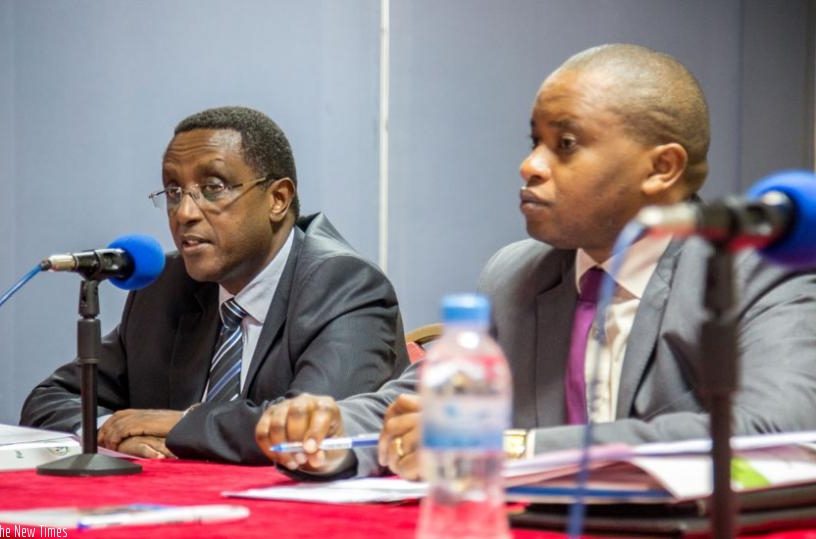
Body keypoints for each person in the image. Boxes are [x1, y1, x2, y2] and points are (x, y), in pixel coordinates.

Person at [254, 43, 816, 480]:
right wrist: (327, 435)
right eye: (534, 142)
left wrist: (507, 448)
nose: (530, 166)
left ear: (661, 167)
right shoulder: (516, 274)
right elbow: (422, 404)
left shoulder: (758, 272)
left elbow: (773, 429)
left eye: (565, 144)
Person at [20, 106, 410, 464]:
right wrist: (111, 430)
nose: (185, 213)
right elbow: (50, 399)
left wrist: (183, 426)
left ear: (278, 198)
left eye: (213, 188)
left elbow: (313, 431)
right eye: (173, 192)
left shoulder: (344, 284)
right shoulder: (164, 287)